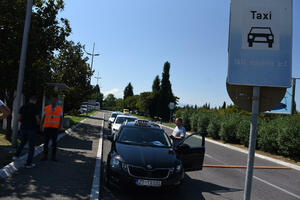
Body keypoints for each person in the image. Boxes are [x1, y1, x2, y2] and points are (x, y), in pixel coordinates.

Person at [13, 96, 40, 168]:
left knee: (22, 142)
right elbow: (37, 119)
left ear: (29, 100)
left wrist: (23, 122)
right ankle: (29, 163)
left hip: (23, 128)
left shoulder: (23, 107)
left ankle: (16, 155)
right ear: (35, 101)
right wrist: (37, 125)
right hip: (32, 128)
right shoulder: (35, 108)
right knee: (31, 146)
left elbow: (18, 118)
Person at [41, 95, 63, 161]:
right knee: (46, 142)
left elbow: (61, 119)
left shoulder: (59, 109)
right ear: (51, 100)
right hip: (47, 127)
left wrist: (60, 127)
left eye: (55, 100)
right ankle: (45, 156)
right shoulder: (47, 108)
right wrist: (41, 125)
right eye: (52, 100)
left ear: (57, 101)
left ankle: (53, 156)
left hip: (55, 128)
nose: (54, 101)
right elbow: (44, 117)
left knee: (54, 143)